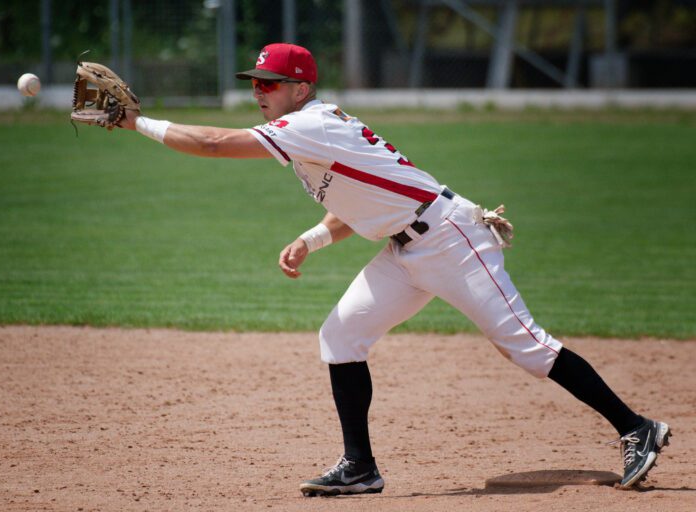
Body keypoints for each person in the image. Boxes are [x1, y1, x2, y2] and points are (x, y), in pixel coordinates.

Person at [117, 43, 671, 496]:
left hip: (451, 240)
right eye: (255, 82)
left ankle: (637, 427)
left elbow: (215, 143)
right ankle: (359, 467)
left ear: (301, 88)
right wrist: (312, 239)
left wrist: (137, 122)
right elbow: (363, 202)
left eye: (270, 82)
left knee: (526, 347)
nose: (258, 91)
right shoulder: (307, 128)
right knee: (341, 336)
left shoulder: (310, 125)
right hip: (406, 251)